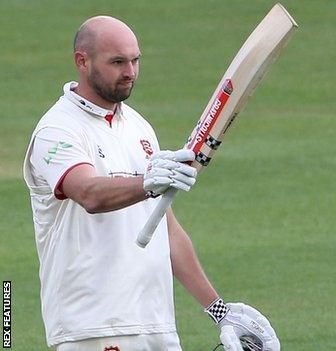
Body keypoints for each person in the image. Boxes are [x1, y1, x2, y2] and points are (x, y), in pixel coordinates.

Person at [23, 15, 279, 351]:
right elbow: (88, 194)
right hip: (94, 326)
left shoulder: (138, 127)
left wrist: (219, 311)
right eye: (117, 62)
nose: (130, 71)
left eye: (135, 60)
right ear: (81, 62)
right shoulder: (57, 130)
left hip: (156, 323)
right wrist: (148, 181)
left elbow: (166, 229)